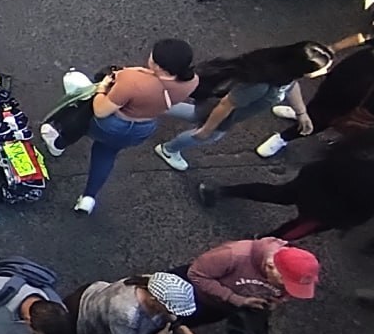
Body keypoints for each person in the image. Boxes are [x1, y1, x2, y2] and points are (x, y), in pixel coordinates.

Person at [42, 39, 199, 215]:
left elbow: (100, 110)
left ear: (157, 64)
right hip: (143, 127)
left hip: (113, 123)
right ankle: (88, 197)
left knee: (82, 120)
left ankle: (58, 144)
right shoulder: (191, 81)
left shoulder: (131, 81)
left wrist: (102, 89)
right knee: (106, 152)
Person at [154, 41, 333, 171]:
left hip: (214, 103)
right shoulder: (260, 86)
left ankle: (151, 105)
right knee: (208, 135)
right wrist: (208, 129)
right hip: (224, 111)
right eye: (321, 69)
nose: (324, 72)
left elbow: (291, 86)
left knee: (195, 113)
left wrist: (301, 112)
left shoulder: (281, 71)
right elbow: (226, 105)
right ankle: (169, 150)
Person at [198, 141, 374, 241]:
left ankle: (220, 191)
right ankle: (260, 244)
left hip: (316, 180)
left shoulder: (364, 146)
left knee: (278, 194)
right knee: (296, 228)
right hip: (332, 210)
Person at [256, 30, 374, 157]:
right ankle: (304, 112)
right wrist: (332, 49)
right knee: (324, 94)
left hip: (365, 91)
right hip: (355, 68)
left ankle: (284, 138)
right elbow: (365, 37)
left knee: (326, 116)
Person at [172, 239, 318, 329]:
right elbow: (196, 275)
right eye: (285, 283)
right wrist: (236, 299)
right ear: (270, 266)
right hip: (187, 293)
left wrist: (276, 301)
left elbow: (285, 294)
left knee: (184, 325)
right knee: (159, 316)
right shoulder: (233, 255)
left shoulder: (295, 271)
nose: (287, 289)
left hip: (219, 308)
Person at [66, 272, 203, 334]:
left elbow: (168, 311)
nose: (172, 314)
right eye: (169, 310)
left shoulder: (151, 282)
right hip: (86, 322)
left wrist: (183, 330)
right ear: (153, 300)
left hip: (93, 292)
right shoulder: (126, 314)